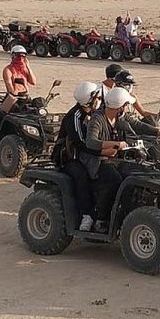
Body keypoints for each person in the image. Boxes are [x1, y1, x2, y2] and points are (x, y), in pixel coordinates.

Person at [81, 87, 140, 232]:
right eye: (126, 105)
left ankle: (127, 216)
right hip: (96, 161)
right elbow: (91, 142)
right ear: (119, 107)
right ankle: (102, 218)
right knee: (115, 181)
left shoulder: (119, 119)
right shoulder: (98, 119)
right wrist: (115, 144)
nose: (127, 108)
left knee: (135, 174)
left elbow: (138, 126)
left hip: (113, 158)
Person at [54, 81, 104, 232]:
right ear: (89, 100)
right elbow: (83, 144)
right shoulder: (74, 117)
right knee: (82, 175)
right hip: (69, 157)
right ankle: (86, 215)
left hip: (86, 154)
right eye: (97, 97)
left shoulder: (93, 113)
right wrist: (103, 150)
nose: (100, 99)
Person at [1, 45, 37, 113]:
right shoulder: (8, 70)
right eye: (18, 56)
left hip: (25, 97)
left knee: (39, 104)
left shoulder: (24, 70)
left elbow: (33, 82)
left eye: (23, 56)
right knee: (17, 112)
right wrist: (18, 93)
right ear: (13, 56)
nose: (20, 59)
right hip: (13, 99)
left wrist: (28, 67)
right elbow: (10, 89)